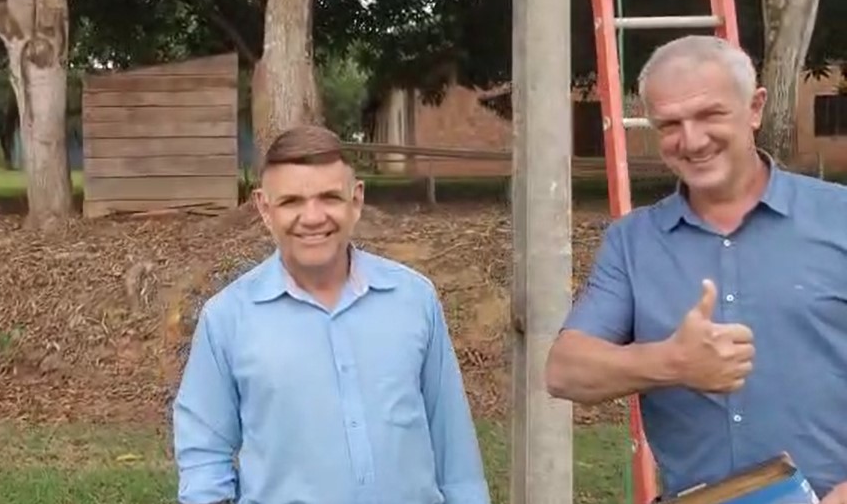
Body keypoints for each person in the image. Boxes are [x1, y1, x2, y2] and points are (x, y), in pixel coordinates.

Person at [545, 34, 847, 501]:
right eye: (669, 123)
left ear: (755, 108)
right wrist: (671, 362)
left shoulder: (839, 219)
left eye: (710, 114)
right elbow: (565, 371)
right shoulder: (633, 242)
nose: (692, 140)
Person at [172, 125, 490, 504]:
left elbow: (453, 446)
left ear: (355, 200)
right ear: (264, 208)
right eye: (291, 201)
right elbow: (204, 455)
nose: (313, 217)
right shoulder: (226, 319)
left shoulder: (413, 298)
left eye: (329, 197)